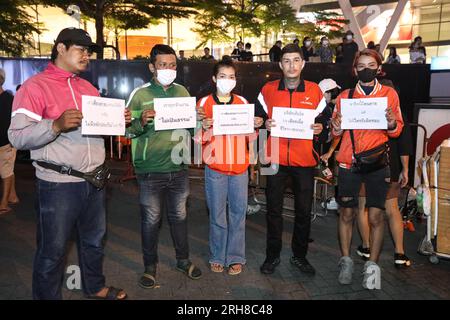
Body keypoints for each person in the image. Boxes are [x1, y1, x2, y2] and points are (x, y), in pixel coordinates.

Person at [8, 27, 130, 300]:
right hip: (59, 184)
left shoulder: (87, 87)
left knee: (94, 242)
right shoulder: (34, 87)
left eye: (89, 51)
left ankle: (95, 287)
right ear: (60, 48)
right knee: (52, 251)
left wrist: (121, 121)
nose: (87, 55)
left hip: (96, 180)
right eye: (81, 49)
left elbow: (99, 129)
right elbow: (16, 136)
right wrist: (55, 125)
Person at [125, 44, 202, 289]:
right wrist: (141, 121)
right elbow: (126, 130)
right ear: (152, 67)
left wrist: (199, 120)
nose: (168, 69)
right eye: (162, 65)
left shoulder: (182, 92)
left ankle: (183, 260)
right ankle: (150, 266)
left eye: (172, 65)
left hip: (179, 168)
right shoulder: (140, 94)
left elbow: (190, 129)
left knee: (179, 217)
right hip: (149, 170)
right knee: (151, 220)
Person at [330, 49, 404, 289]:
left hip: (377, 163)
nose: (366, 69)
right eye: (361, 66)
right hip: (348, 162)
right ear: (354, 70)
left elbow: (396, 130)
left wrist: (392, 123)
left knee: (376, 216)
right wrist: (337, 127)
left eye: (371, 65)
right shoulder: (344, 96)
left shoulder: (389, 95)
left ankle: (372, 266)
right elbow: (335, 133)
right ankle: (345, 260)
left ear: (379, 67)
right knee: (347, 213)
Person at [256, 44, 325, 275]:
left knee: (303, 212)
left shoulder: (315, 91)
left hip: (305, 162)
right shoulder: (267, 89)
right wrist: (263, 125)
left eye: (296, 60)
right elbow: (256, 120)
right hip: (274, 159)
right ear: (280, 64)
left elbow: (324, 123)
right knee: (273, 210)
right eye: (286, 60)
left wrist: (320, 128)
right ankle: (272, 255)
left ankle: (299, 256)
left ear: (303, 63)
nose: (291, 65)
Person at [196, 58, 263, 275]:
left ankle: (235, 256)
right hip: (215, 168)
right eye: (223, 76)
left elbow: (249, 136)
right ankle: (217, 255)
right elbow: (196, 139)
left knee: (238, 213)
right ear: (214, 79)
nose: (227, 81)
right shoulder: (204, 103)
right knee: (217, 214)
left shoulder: (242, 103)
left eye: (231, 77)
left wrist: (255, 127)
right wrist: (202, 125)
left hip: (240, 168)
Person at [356, 114, 413, 268]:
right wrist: (405, 169)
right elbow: (404, 145)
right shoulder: (398, 115)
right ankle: (399, 253)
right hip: (389, 166)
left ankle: (366, 247)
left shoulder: (363, 110)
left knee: (363, 207)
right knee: (392, 209)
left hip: (364, 165)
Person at [0, 69, 19, 214]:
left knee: (5, 172)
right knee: (7, 170)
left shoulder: (9, 100)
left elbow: (14, 123)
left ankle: (4, 203)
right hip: (5, 143)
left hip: (6, 143)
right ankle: (12, 196)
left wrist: (13, 142)